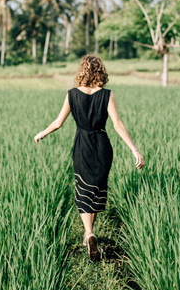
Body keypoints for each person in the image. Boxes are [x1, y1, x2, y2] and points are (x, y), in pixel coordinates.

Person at [34, 55, 145, 261]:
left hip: (82, 145)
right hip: (102, 145)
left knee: (83, 188)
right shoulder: (107, 95)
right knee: (96, 188)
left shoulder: (72, 95)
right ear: (101, 72)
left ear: (82, 71)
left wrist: (42, 133)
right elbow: (117, 124)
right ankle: (90, 234)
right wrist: (134, 149)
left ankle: (89, 233)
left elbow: (58, 123)